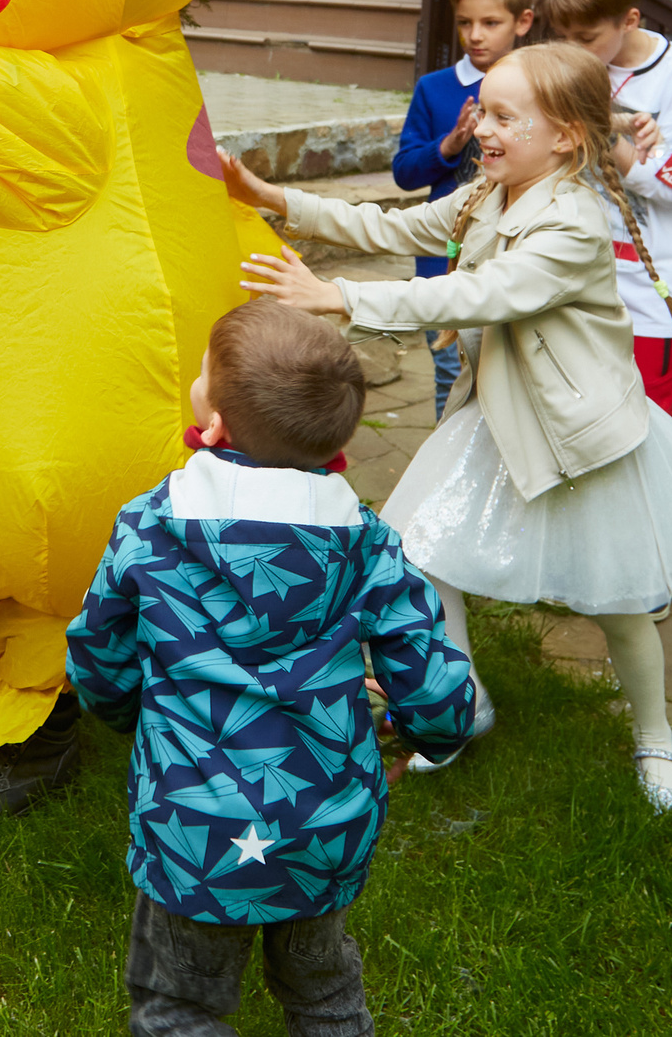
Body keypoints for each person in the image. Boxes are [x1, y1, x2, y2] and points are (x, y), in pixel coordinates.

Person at [223, 41, 672, 809]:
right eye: (484, 113)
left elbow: (475, 296)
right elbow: (395, 226)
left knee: (617, 600)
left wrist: (338, 297)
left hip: (580, 432)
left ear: (565, 135)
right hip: (498, 415)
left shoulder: (570, 223)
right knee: (419, 550)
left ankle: (657, 736)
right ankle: (461, 703)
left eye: (505, 116)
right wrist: (275, 195)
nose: (483, 128)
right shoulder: (489, 192)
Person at [66, 297, 475, 1037]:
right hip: (326, 823)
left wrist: (131, 716)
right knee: (323, 991)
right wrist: (425, 734)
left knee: (180, 1005)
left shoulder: (152, 527)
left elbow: (98, 651)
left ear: (214, 425)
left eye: (202, 375)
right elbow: (437, 680)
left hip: (193, 825)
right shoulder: (367, 544)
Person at [538, 0, 672, 418]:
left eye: (586, 37)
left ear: (630, 20)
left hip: (644, 289)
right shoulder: (567, 68)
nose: (573, 52)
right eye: (564, 38)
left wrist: (600, 130)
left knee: (646, 422)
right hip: (567, 276)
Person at [391, 0, 535, 420]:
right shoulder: (434, 89)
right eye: (465, 22)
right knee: (449, 373)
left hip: (511, 258)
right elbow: (405, 172)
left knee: (512, 377)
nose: (475, 35)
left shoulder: (540, 85)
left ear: (523, 21)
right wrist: (449, 146)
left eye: (490, 22)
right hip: (444, 259)